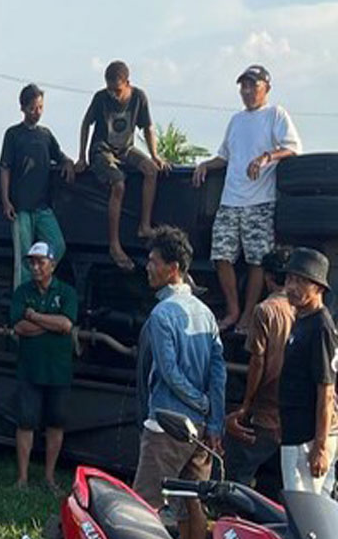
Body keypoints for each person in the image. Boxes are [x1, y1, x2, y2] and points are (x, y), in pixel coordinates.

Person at [132, 226, 226, 539]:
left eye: (153, 261)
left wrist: (197, 403)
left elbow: (169, 373)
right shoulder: (206, 314)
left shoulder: (162, 315)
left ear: (173, 268)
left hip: (166, 426)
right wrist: (213, 420)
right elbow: (219, 373)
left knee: (145, 502)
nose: (147, 266)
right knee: (193, 502)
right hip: (199, 431)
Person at [193, 65, 301, 333]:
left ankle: (249, 314)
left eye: (253, 85)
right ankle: (233, 310)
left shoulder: (276, 114)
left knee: (257, 260)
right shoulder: (236, 120)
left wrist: (266, 157)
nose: (247, 91)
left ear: (266, 88)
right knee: (221, 255)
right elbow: (225, 156)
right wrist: (206, 164)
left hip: (260, 200)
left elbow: (293, 148)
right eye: (244, 86)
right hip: (231, 199)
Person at [75, 60, 170, 271]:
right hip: (102, 149)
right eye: (110, 89)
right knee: (119, 183)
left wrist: (155, 155)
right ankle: (114, 245)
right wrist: (82, 157)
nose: (113, 94)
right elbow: (85, 124)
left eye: (117, 90)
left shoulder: (138, 97)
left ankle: (144, 226)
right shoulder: (100, 98)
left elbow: (147, 127)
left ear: (127, 83)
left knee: (151, 171)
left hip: (125, 149)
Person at [10, 242, 78, 491]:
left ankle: (49, 478)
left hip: (58, 371)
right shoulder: (22, 292)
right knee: (25, 422)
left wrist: (35, 317)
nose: (35, 267)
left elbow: (66, 325)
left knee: (56, 423)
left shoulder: (67, 293)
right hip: (29, 369)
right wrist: (51, 324)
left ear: (53, 264)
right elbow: (18, 327)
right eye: (32, 262)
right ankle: (23, 478)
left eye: (40, 262)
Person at [223, 248, 294, 487]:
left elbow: (258, 361)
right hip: (291, 413)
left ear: (267, 277)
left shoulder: (265, 310)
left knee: (236, 477)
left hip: (265, 410)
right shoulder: (304, 310)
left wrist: (246, 405)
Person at [0, 83, 76, 287]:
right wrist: (6, 200)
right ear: (23, 108)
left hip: (43, 206)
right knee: (23, 258)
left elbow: (60, 156)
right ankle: (22, 305)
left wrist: (68, 163)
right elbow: (5, 168)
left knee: (57, 245)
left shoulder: (45, 134)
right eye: (33, 108)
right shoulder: (13, 134)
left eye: (40, 107)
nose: (37, 112)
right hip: (21, 208)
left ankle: (40, 279)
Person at [277, 247, 337, 495]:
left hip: (308, 438)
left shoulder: (320, 326)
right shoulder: (302, 320)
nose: (293, 287)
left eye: (302, 281)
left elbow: (326, 389)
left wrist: (320, 447)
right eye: (290, 279)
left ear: (319, 288)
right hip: (296, 431)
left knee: (305, 509)